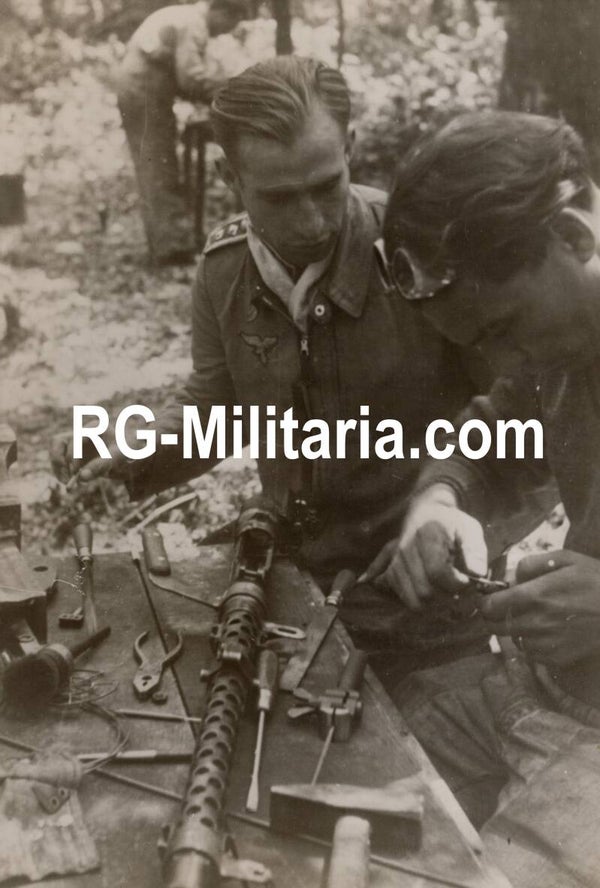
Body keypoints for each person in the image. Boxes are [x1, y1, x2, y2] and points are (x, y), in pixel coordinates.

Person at [54, 56, 507, 677]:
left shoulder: (416, 251)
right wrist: (127, 442)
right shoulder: (224, 270)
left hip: (419, 596)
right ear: (228, 176)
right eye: (279, 197)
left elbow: (519, 408)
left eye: (327, 185)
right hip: (286, 583)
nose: (312, 221)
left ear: (349, 148)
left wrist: (453, 521)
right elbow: (219, 412)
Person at [376, 110, 600, 887]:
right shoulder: (561, 341)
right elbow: (496, 425)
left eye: (505, 326)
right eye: (482, 344)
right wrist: (437, 500)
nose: (505, 360)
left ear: (573, 237)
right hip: (538, 695)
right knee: (345, 761)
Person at [115, 0, 248, 265]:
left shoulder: (186, 18)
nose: (223, 31)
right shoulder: (193, 23)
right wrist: (231, 87)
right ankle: (170, 249)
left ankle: (169, 242)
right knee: (157, 165)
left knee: (159, 163)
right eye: (228, 24)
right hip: (143, 87)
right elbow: (190, 77)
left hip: (145, 85)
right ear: (220, 10)